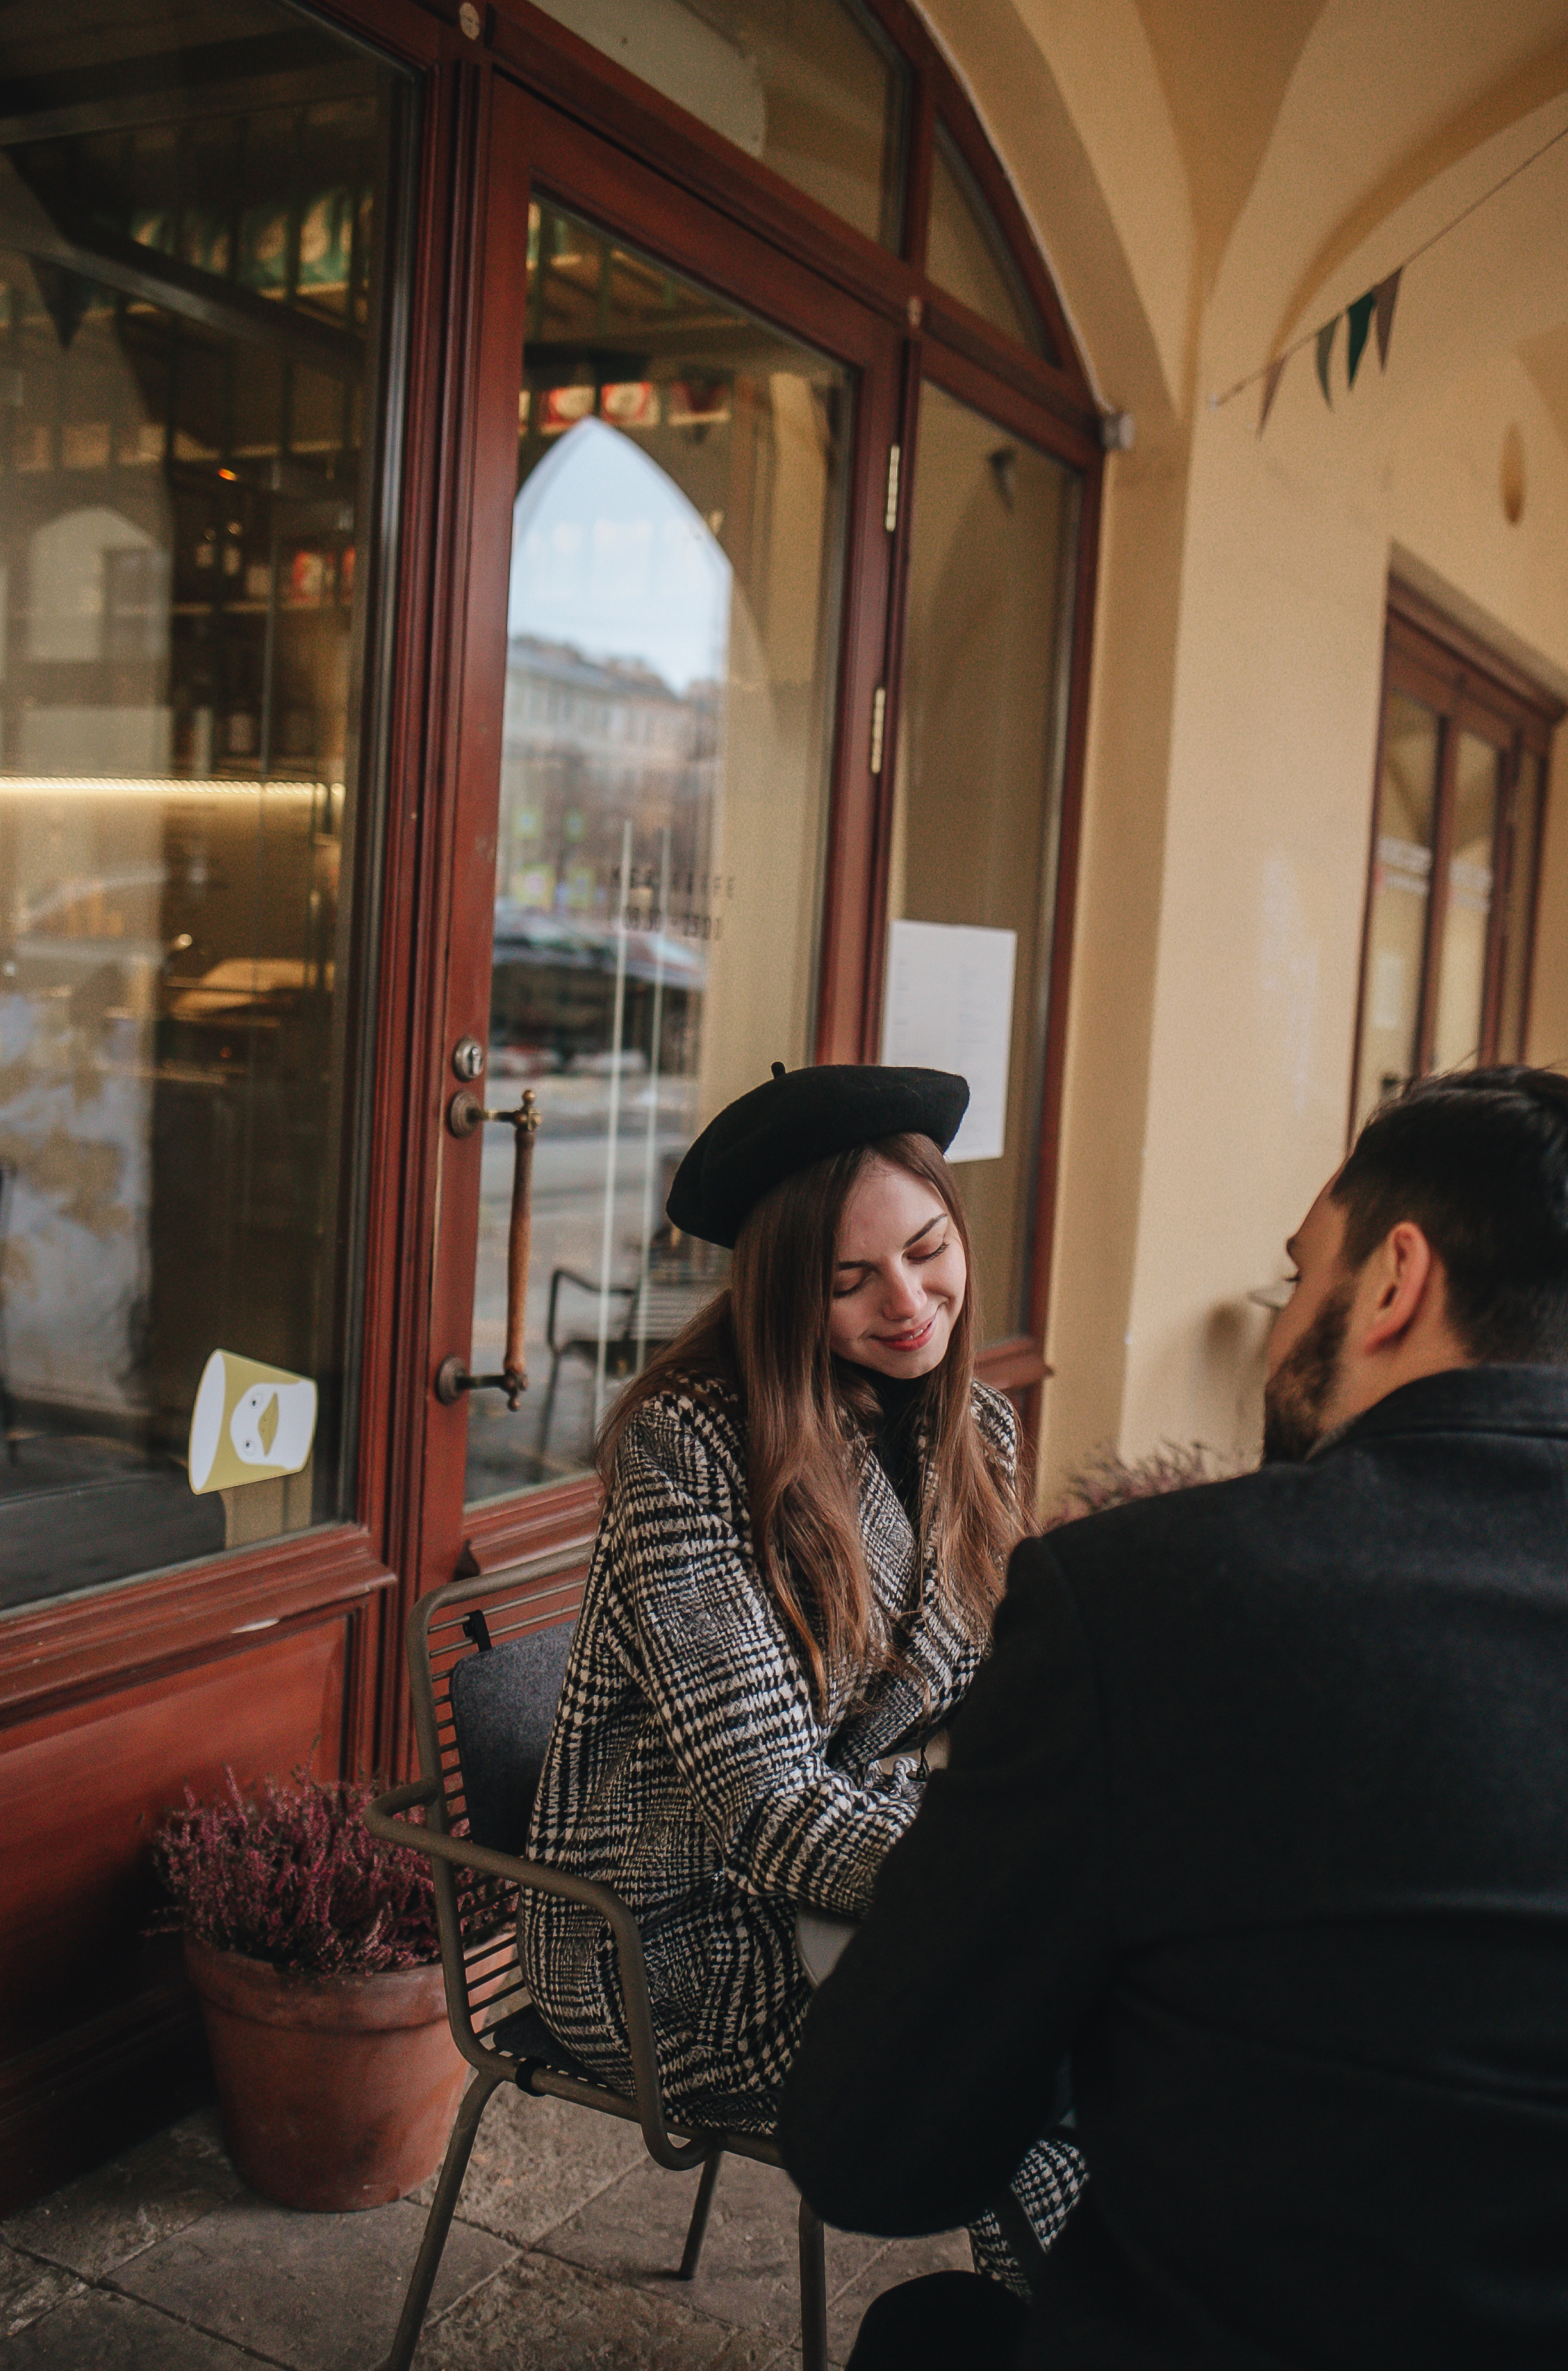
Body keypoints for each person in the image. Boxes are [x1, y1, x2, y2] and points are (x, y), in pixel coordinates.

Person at [780, 1065, 1568, 2369]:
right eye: (853, 1273)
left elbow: (875, 2150)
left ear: (1392, 1279)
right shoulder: (718, 1450)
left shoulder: (1147, 1594)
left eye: (1297, 1269)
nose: (1276, 1326)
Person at [520, 1061, 1085, 2280]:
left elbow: (994, 1694)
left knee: (1131, 2042)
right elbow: (764, 1800)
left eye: (928, 1249)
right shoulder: (686, 1445)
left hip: (852, 1894)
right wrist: (1000, 1877)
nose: (908, 1301)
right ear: (782, 1291)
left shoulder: (974, 1428)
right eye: (849, 1278)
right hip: (674, 1940)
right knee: (1031, 2068)